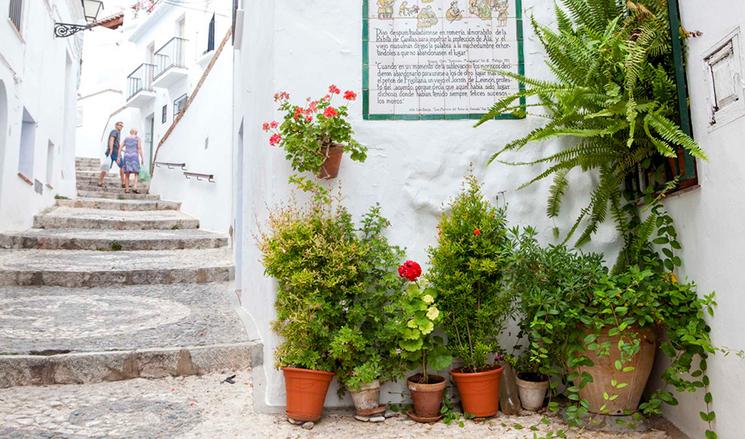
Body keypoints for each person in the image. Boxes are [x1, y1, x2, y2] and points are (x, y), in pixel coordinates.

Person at [98, 121, 126, 188]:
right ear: (116, 125)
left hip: (116, 152)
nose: (121, 127)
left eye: (122, 126)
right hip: (113, 153)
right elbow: (111, 140)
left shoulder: (118, 133)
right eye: (120, 125)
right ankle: (100, 181)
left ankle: (123, 183)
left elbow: (116, 143)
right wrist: (111, 150)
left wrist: (121, 149)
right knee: (108, 167)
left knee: (121, 166)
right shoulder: (114, 131)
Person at [117, 128, 144, 194]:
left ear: (130, 132)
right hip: (134, 156)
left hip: (127, 156)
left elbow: (120, 147)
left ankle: (127, 189)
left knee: (127, 173)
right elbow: (139, 148)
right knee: (136, 172)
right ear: (136, 132)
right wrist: (142, 157)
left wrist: (118, 157)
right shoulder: (137, 138)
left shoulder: (126, 138)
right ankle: (135, 187)